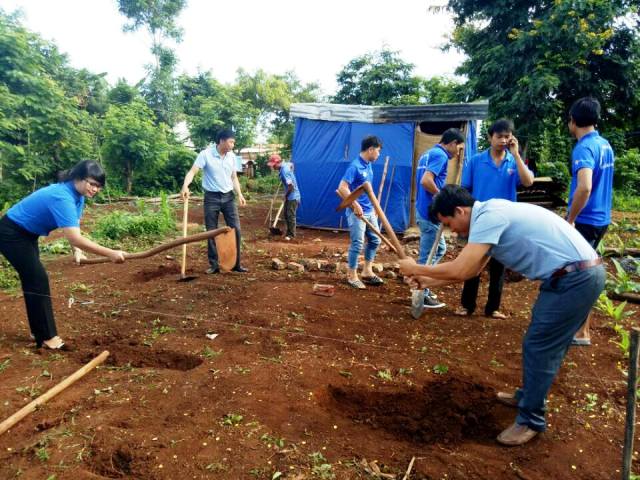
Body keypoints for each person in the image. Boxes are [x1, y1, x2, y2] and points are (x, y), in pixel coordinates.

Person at [398, 185, 604, 446]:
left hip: (575, 279)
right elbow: (473, 270)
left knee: (540, 346)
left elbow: (461, 269)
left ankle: (531, 420)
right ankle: (528, 396)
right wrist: (427, 281)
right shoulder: (491, 213)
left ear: (461, 210)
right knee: (541, 344)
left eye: (450, 223)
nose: (454, 231)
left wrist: (415, 267)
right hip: (574, 276)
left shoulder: (488, 217)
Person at [0, 160, 127, 350]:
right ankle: (46, 337)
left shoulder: (78, 196)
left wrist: (78, 252)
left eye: (99, 186)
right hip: (11, 233)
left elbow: (73, 227)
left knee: (32, 280)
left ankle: (38, 331)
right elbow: (76, 238)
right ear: (78, 178)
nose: (95, 189)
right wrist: (110, 253)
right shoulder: (62, 196)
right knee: (37, 279)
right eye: (92, 184)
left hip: (27, 234)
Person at [457, 119, 534, 319]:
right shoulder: (476, 161)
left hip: (506, 220)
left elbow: (528, 182)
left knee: (499, 266)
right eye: (499, 136)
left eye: (507, 136)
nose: (503, 140)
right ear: (490, 137)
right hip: (480, 219)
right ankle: (466, 305)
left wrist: (517, 155)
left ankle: (493, 308)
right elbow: (465, 189)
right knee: (474, 262)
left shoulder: (513, 161)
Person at [566, 97, 614, 346]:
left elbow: (584, 187)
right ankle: (579, 328)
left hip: (585, 221)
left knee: (579, 277)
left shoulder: (584, 148)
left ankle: (580, 332)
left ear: (573, 121)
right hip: (601, 218)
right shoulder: (604, 144)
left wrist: (570, 219)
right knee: (584, 272)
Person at [181, 129, 248, 273]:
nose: (232, 145)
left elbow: (234, 177)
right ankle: (214, 264)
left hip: (229, 197)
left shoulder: (232, 157)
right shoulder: (205, 154)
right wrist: (185, 186)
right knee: (211, 231)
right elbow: (192, 172)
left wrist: (240, 194)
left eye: (233, 142)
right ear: (222, 141)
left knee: (236, 229)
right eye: (231, 142)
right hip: (211, 198)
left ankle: (236, 264)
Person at [415, 128, 465, 308]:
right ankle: (420, 292)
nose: (458, 153)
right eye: (459, 148)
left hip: (424, 209)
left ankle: (423, 283)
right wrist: (442, 196)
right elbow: (426, 181)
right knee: (427, 255)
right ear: (452, 143)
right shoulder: (440, 156)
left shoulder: (428, 153)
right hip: (430, 212)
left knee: (439, 249)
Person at [337, 135, 384, 290]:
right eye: (378, 151)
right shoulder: (355, 166)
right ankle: (351, 275)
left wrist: (375, 208)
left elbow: (367, 189)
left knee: (375, 240)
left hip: (369, 210)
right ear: (370, 149)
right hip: (357, 212)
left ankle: (367, 271)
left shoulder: (368, 164)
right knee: (357, 243)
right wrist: (355, 204)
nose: (379, 155)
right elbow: (342, 187)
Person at [268, 154, 301, 240]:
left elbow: (291, 186)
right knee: (286, 215)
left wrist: (286, 195)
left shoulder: (284, 171)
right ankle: (288, 233)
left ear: (278, 163)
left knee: (290, 215)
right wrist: (292, 171)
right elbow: (291, 164)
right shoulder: (285, 165)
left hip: (293, 196)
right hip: (290, 195)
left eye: (273, 165)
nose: (273, 167)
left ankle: (291, 235)